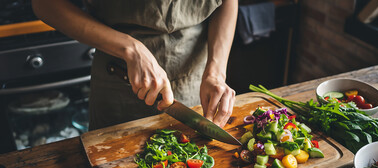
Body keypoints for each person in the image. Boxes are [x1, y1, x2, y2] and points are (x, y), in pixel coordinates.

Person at [32, 0, 238, 130]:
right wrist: (130, 49)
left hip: (197, 77)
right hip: (119, 78)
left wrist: (216, 71)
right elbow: (45, 4)